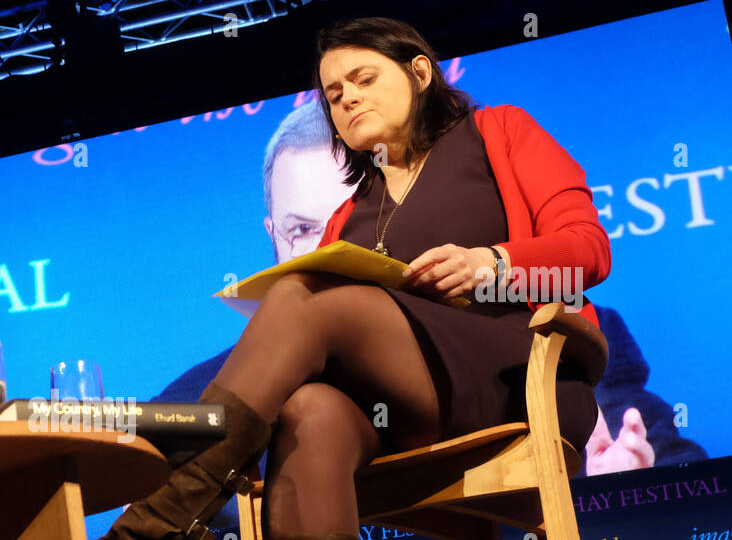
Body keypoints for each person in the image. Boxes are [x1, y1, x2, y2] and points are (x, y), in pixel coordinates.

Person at [88, 16, 621, 540]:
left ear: (421, 72)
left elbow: (587, 252)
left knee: (304, 297)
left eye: (364, 80)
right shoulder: (350, 214)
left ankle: (143, 539)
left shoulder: (497, 133)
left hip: (506, 372)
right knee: (306, 410)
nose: (345, 101)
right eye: (333, 94)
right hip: (405, 403)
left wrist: (493, 265)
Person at [157, 103, 702, 471]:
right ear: (272, 237)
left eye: (352, 222)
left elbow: (679, 462)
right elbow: (147, 458)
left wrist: (613, 478)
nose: (330, 249)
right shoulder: (204, 391)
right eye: (304, 230)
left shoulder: (545, 327)